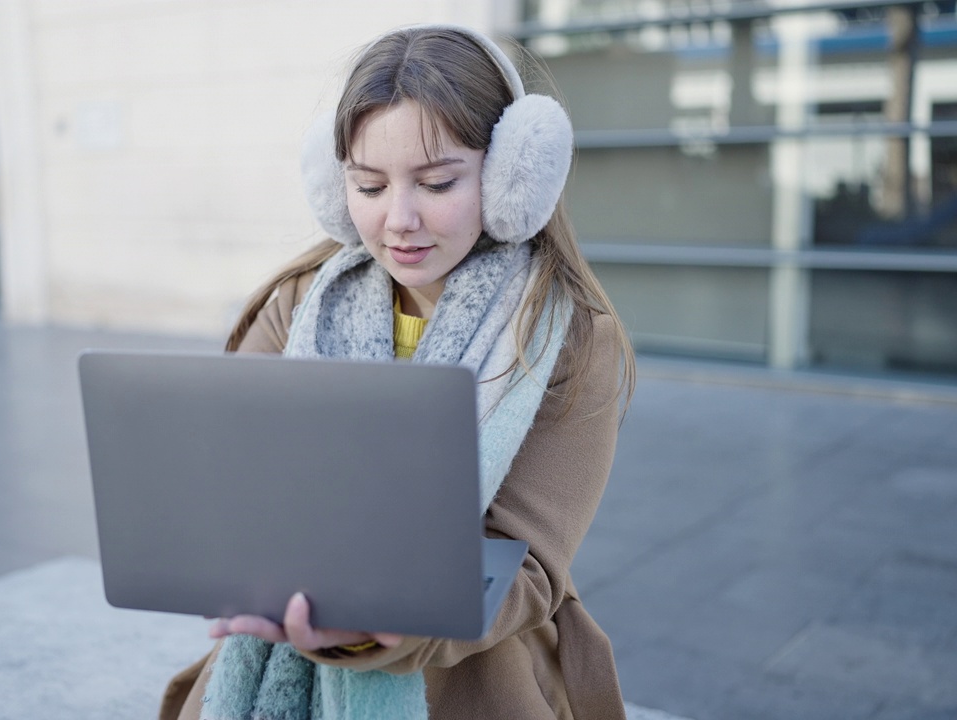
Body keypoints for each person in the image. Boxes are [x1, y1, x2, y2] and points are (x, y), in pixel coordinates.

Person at [160, 23, 635, 720]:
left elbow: (525, 566)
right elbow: (237, 489)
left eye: (437, 182)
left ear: (512, 176)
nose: (399, 220)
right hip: (281, 652)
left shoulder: (568, 340)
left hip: (473, 677)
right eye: (369, 185)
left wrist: (376, 625)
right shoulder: (297, 302)